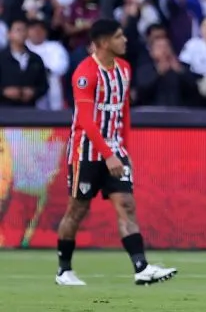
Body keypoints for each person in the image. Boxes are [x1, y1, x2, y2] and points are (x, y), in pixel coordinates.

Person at [56, 19, 178, 286]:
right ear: (103, 42)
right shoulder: (85, 73)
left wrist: (124, 150)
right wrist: (108, 154)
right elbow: (86, 121)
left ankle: (141, 267)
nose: (125, 40)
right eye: (119, 36)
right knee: (77, 209)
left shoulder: (124, 68)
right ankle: (64, 270)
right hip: (85, 152)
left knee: (127, 205)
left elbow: (124, 113)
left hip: (114, 148)